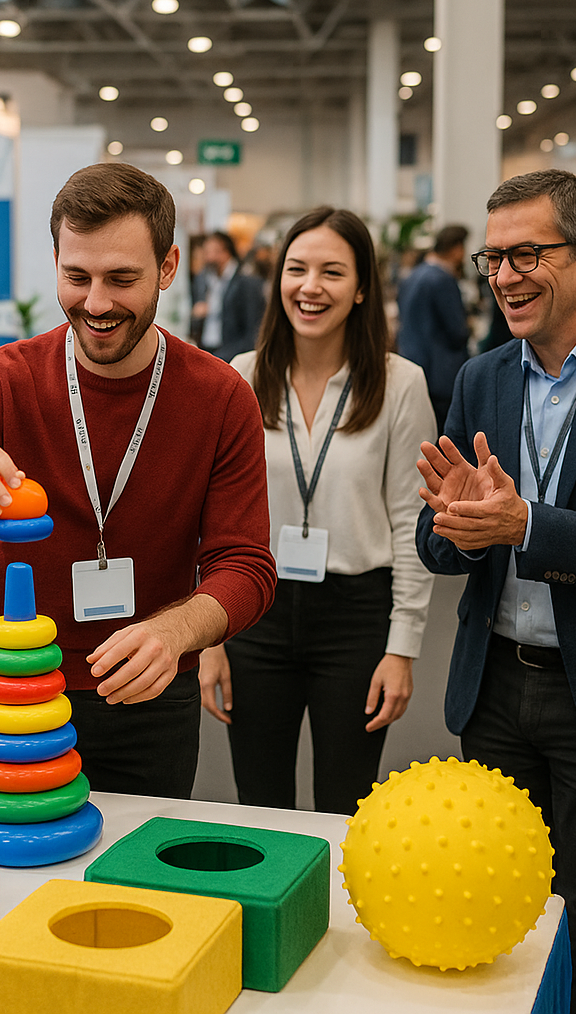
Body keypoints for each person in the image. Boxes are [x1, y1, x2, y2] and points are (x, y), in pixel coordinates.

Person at [0, 162, 276, 799]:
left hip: (150, 690)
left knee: (135, 888)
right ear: (55, 259)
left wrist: (177, 631)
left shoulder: (219, 395)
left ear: (168, 269)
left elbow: (246, 565)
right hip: (9, 685)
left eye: (123, 279)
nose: (96, 304)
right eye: (76, 276)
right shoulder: (1, 380)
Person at [415, 169, 576, 1012]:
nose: (505, 276)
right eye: (493, 257)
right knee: (498, 922)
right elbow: (437, 546)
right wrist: (454, 525)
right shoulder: (482, 379)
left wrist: (526, 528)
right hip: (496, 690)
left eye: (527, 254)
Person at [199, 207, 435, 815]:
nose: (310, 287)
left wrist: (402, 647)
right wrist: (210, 638)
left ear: (361, 289)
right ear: (277, 279)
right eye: (296, 269)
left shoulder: (399, 383)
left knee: (345, 806)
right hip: (257, 612)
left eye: (332, 272)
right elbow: (214, 518)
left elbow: (412, 523)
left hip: (356, 618)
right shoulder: (243, 378)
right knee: (261, 805)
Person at [396, 224, 471, 431]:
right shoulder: (443, 280)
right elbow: (457, 331)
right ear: (456, 248)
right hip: (441, 374)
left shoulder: (411, 276)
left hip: (415, 364)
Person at [192, 230, 266, 361]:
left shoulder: (247, 280)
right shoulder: (204, 279)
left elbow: (253, 328)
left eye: (211, 251)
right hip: (206, 350)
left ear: (225, 252)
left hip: (232, 355)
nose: (207, 257)